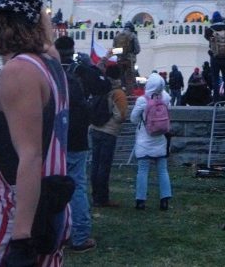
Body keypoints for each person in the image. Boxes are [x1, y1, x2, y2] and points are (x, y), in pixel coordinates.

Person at [0, 0, 70, 267]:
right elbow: (48, 41)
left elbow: (30, 156)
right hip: (51, 209)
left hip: (16, 213)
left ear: (0, 27)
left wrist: (21, 239)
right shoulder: (51, 64)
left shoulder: (19, 72)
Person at [55, 35, 98, 253]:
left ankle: (55, 233)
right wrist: (90, 66)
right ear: (72, 50)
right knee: (77, 186)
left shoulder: (50, 72)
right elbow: (102, 86)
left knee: (51, 184)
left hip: (54, 136)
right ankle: (79, 235)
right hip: (77, 137)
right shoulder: (80, 71)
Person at [130, 73, 172, 210]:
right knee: (162, 170)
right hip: (160, 139)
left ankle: (140, 200)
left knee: (142, 170)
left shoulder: (142, 100)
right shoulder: (165, 98)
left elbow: (133, 118)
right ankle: (165, 199)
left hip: (144, 139)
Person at [89, 63, 128, 208]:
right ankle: (102, 198)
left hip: (95, 128)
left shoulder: (99, 87)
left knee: (95, 164)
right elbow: (121, 116)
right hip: (109, 131)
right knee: (104, 166)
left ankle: (95, 196)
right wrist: (110, 121)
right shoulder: (118, 93)